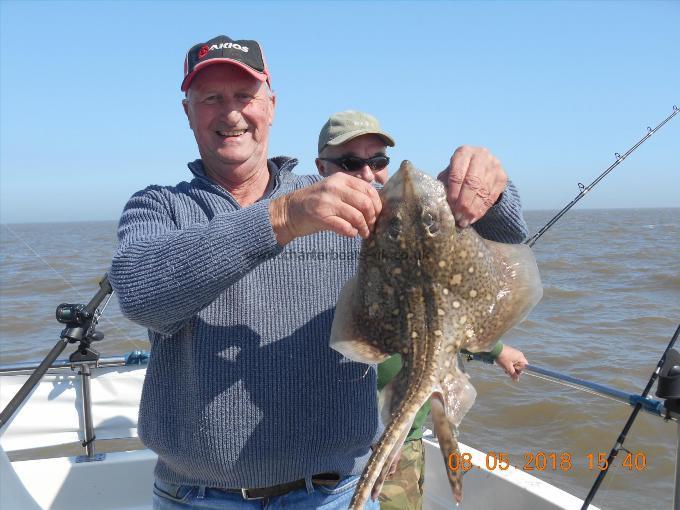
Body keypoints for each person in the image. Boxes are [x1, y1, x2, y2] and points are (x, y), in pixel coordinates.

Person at [109, 34, 530, 510]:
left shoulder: (333, 197)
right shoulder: (159, 206)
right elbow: (140, 292)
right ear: (188, 112)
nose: (231, 114)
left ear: (270, 106)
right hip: (199, 497)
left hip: (333, 492)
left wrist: (491, 189)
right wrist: (278, 220)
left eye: (245, 97)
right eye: (211, 99)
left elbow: (480, 233)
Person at [315, 110, 529, 510]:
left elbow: (453, 305)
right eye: (350, 163)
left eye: (378, 161)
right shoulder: (308, 231)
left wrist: (494, 194)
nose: (368, 173)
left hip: (405, 430)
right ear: (320, 168)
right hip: (333, 442)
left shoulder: (397, 213)